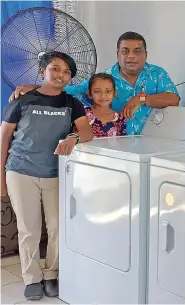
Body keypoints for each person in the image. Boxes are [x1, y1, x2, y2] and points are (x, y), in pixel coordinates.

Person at [1, 52, 93, 300]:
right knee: (29, 229)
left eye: (66, 72)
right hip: (21, 171)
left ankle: (51, 274)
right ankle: (32, 278)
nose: (61, 75)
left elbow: (87, 132)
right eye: (55, 69)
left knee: (57, 227)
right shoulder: (22, 100)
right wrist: (0, 179)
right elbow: (4, 137)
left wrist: (73, 137)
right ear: (43, 72)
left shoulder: (71, 103)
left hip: (55, 173)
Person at [9, 31, 180, 135]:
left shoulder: (157, 74)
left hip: (152, 144)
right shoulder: (104, 78)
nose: (131, 56)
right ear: (118, 54)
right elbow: (70, 91)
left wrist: (141, 99)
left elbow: (174, 99)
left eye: (137, 51)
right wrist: (39, 87)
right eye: (125, 51)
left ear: (145, 54)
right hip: (113, 144)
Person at [73, 73, 127, 137]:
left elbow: (122, 143)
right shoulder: (82, 113)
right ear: (89, 94)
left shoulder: (120, 119)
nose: (103, 96)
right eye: (97, 92)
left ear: (115, 93)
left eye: (108, 91)